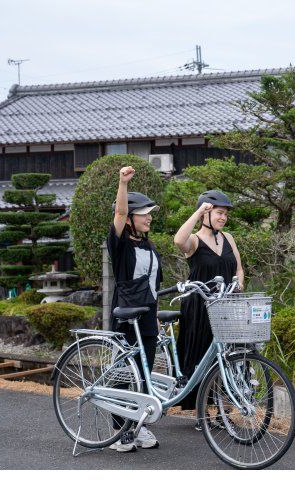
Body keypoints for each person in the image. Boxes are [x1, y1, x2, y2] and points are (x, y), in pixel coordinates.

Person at [173, 189, 245, 423]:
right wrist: (197, 213)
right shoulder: (194, 240)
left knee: (229, 357)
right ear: (206, 213)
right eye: (219, 213)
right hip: (199, 307)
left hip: (226, 306)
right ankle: (202, 412)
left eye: (225, 214)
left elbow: (239, 269)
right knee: (201, 356)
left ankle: (224, 412)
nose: (223, 218)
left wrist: (239, 284)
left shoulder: (229, 238)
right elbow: (178, 240)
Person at [106, 165, 162, 452]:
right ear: (130, 219)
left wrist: (157, 314)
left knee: (144, 374)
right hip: (126, 316)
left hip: (148, 317)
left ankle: (138, 426)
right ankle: (119, 429)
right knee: (123, 375)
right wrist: (122, 183)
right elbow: (118, 213)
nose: (149, 218)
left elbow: (154, 283)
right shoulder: (121, 246)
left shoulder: (149, 245)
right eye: (144, 214)